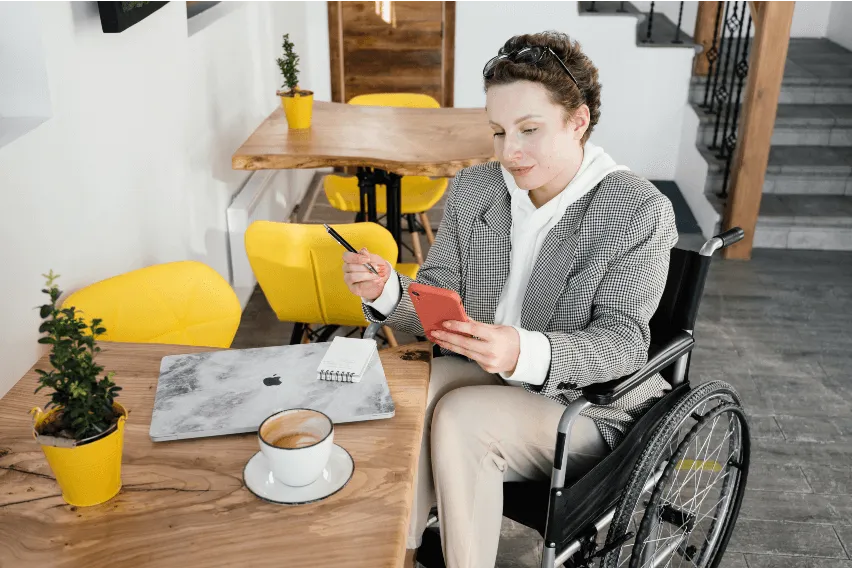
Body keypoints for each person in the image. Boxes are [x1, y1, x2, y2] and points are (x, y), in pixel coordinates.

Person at [341, 30, 678, 568]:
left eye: (529, 129)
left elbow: (623, 344)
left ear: (579, 122)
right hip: (488, 373)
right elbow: (435, 302)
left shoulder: (634, 210)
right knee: (401, 394)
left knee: (461, 417)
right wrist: (387, 291)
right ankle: (395, 554)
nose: (509, 151)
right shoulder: (479, 189)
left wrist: (523, 351)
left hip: (590, 403)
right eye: (498, 131)